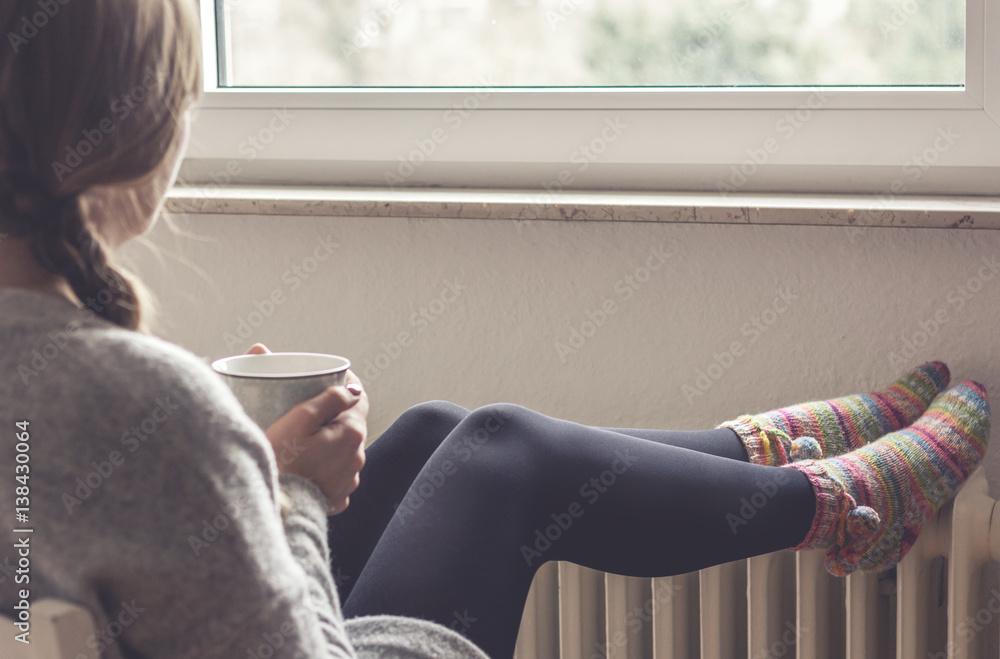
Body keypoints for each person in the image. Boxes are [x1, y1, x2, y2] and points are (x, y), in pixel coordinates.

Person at [0, 1, 990, 658]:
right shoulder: (137, 399)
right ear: (131, 133)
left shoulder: (94, 389)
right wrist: (288, 487)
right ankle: (844, 504)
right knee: (499, 451)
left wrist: (243, 466)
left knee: (435, 429)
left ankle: (776, 456)